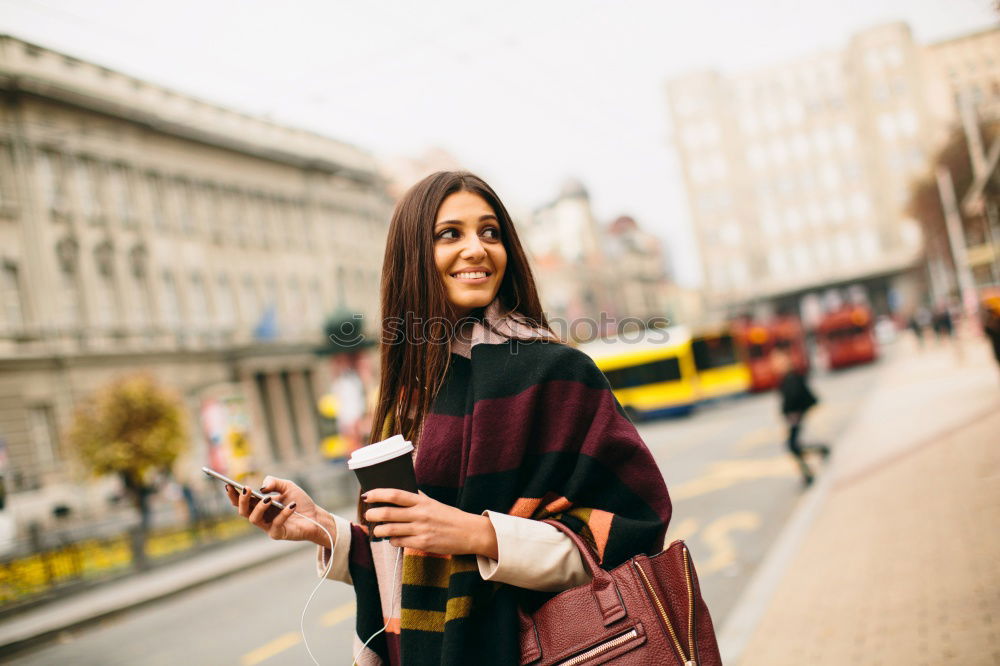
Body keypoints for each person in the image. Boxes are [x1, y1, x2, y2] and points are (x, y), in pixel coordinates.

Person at [224, 172, 672, 665]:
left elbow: (635, 526)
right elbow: (413, 561)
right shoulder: (409, 391)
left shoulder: (557, 373)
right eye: (449, 234)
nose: (477, 248)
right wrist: (326, 530)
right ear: (413, 257)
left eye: (490, 232)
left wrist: (478, 534)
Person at [773, 350, 829, 487]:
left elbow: (795, 398)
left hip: (795, 417)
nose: (775, 365)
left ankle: (809, 471)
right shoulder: (787, 377)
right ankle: (820, 452)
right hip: (793, 417)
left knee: (793, 446)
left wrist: (793, 414)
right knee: (794, 446)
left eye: (777, 362)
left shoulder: (792, 378)